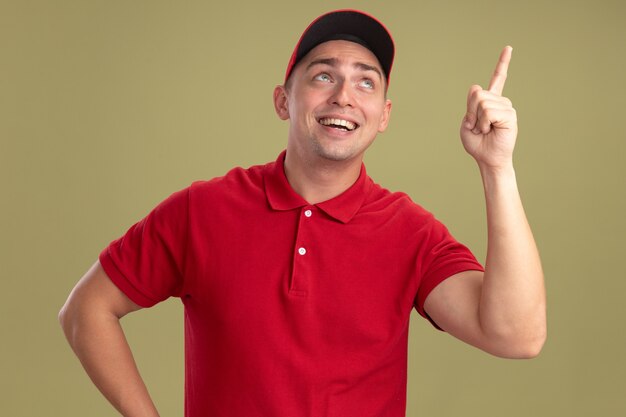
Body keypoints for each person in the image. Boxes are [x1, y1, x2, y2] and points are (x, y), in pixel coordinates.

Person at [59, 9, 546, 417]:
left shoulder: (410, 232)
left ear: (384, 116)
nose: (343, 96)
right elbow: (86, 311)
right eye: (323, 75)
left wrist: (496, 167)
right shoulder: (202, 210)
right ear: (282, 100)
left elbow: (517, 336)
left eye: (365, 82)